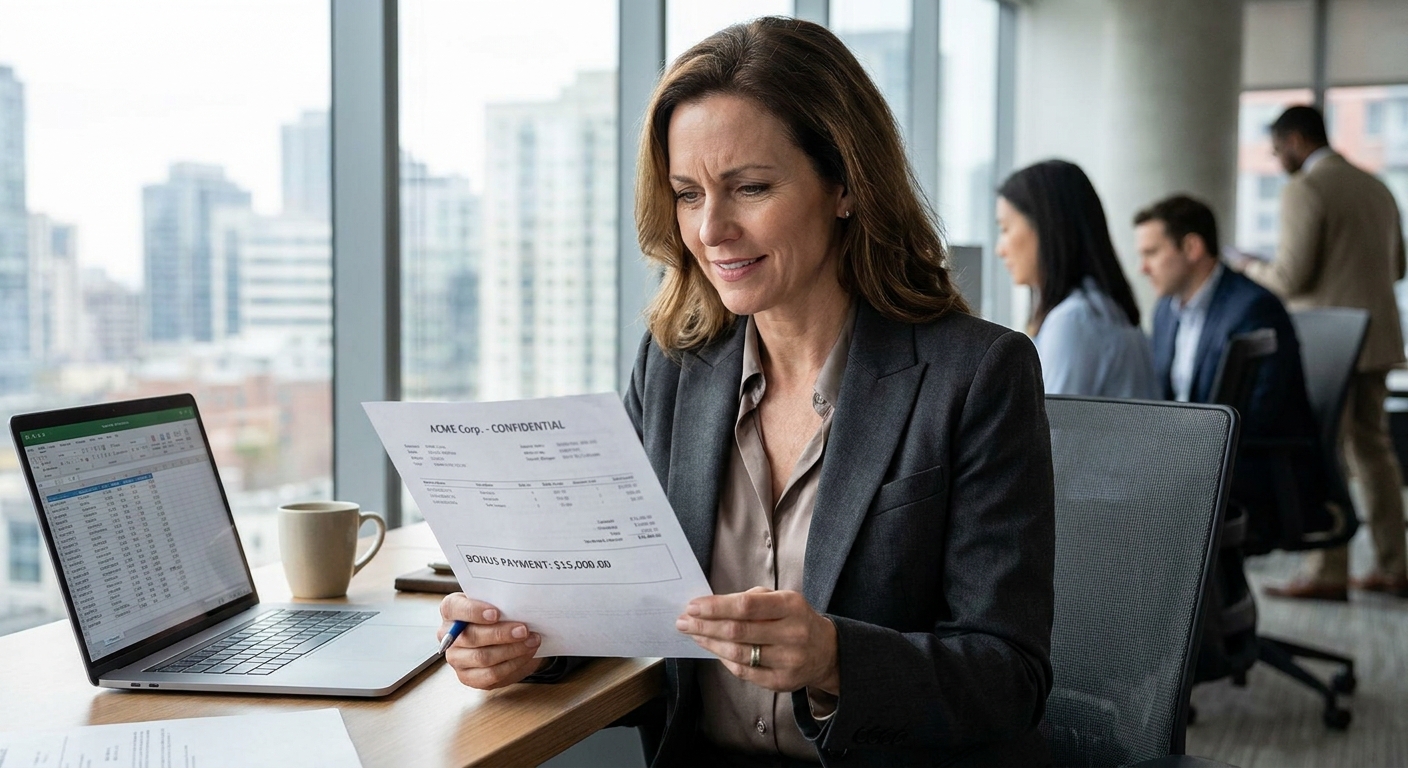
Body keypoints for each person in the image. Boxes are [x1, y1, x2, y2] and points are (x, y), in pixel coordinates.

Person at [436, 17, 1056, 767]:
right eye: (687, 194)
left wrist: (835, 659)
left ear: (846, 185)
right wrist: (525, 643)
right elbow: (624, 602)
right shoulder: (675, 366)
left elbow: (1010, 678)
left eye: (750, 188)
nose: (711, 229)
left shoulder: (978, 374)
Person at [1228, 105, 1408, 600]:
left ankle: (1328, 572)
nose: (1276, 159)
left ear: (1296, 140)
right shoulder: (1377, 185)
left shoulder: (1305, 188)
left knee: (1325, 449)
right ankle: (1395, 565)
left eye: (1276, 149)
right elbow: (1398, 266)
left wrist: (1244, 268)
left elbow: (1290, 278)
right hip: (1378, 336)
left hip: (1330, 344)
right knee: (1374, 450)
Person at [1135, 194, 1325, 552]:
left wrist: (1181, 461)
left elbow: (1259, 416)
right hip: (1196, 464)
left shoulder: (1254, 308)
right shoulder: (1165, 312)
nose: (1143, 268)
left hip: (1249, 469)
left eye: (1152, 253)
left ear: (1191, 247)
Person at [996, 160, 1158, 399]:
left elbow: (1049, 422)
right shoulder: (1102, 309)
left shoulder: (1074, 321)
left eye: (1005, 229)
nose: (1000, 249)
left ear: (1045, 227)